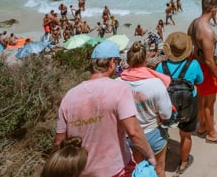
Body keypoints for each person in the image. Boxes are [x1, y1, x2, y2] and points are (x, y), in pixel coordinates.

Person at [54, 40, 157, 177]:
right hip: (116, 169)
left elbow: (59, 142)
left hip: (80, 171)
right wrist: (150, 155)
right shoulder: (119, 89)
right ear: (112, 62)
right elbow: (134, 132)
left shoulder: (69, 96)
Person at [119, 42, 172, 177]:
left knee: (134, 172)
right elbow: (166, 114)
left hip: (127, 136)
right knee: (159, 170)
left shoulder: (117, 83)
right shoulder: (155, 83)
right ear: (145, 59)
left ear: (128, 60)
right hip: (153, 133)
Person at [156, 32, 203, 175]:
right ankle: (183, 163)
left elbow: (158, 86)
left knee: (163, 132)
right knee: (186, 135)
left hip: (167, 104)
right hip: (189, 103)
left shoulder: (161, 66)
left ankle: (161, 161)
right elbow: (199, 81)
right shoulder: (193, 64)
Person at [188, 0, 217, 144]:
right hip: (206, 68)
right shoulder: (207, 31)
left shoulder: (193, 23)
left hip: (197, 65)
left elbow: (190, 45)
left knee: (201, 97)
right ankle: (211, 133)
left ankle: (203, 125)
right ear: (213, 9)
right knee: (209, 103)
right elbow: (209, 60)